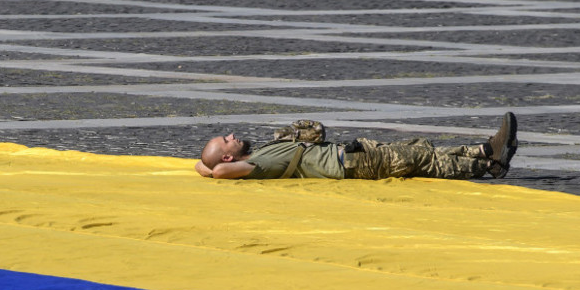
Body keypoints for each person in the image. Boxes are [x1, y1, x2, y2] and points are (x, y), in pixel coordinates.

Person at [195, 112, 518, 181]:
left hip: (355, 152)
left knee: (420, 148)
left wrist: (204, 166)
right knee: (423, 160)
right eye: (226, 141)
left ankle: (485, 150)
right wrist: (211, 168)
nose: (232, 135)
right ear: (227, 156)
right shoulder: (256, 166)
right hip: (353, 164)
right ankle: (491, 165)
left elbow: (210, 167)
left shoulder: (256, 156)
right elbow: (219, 171)